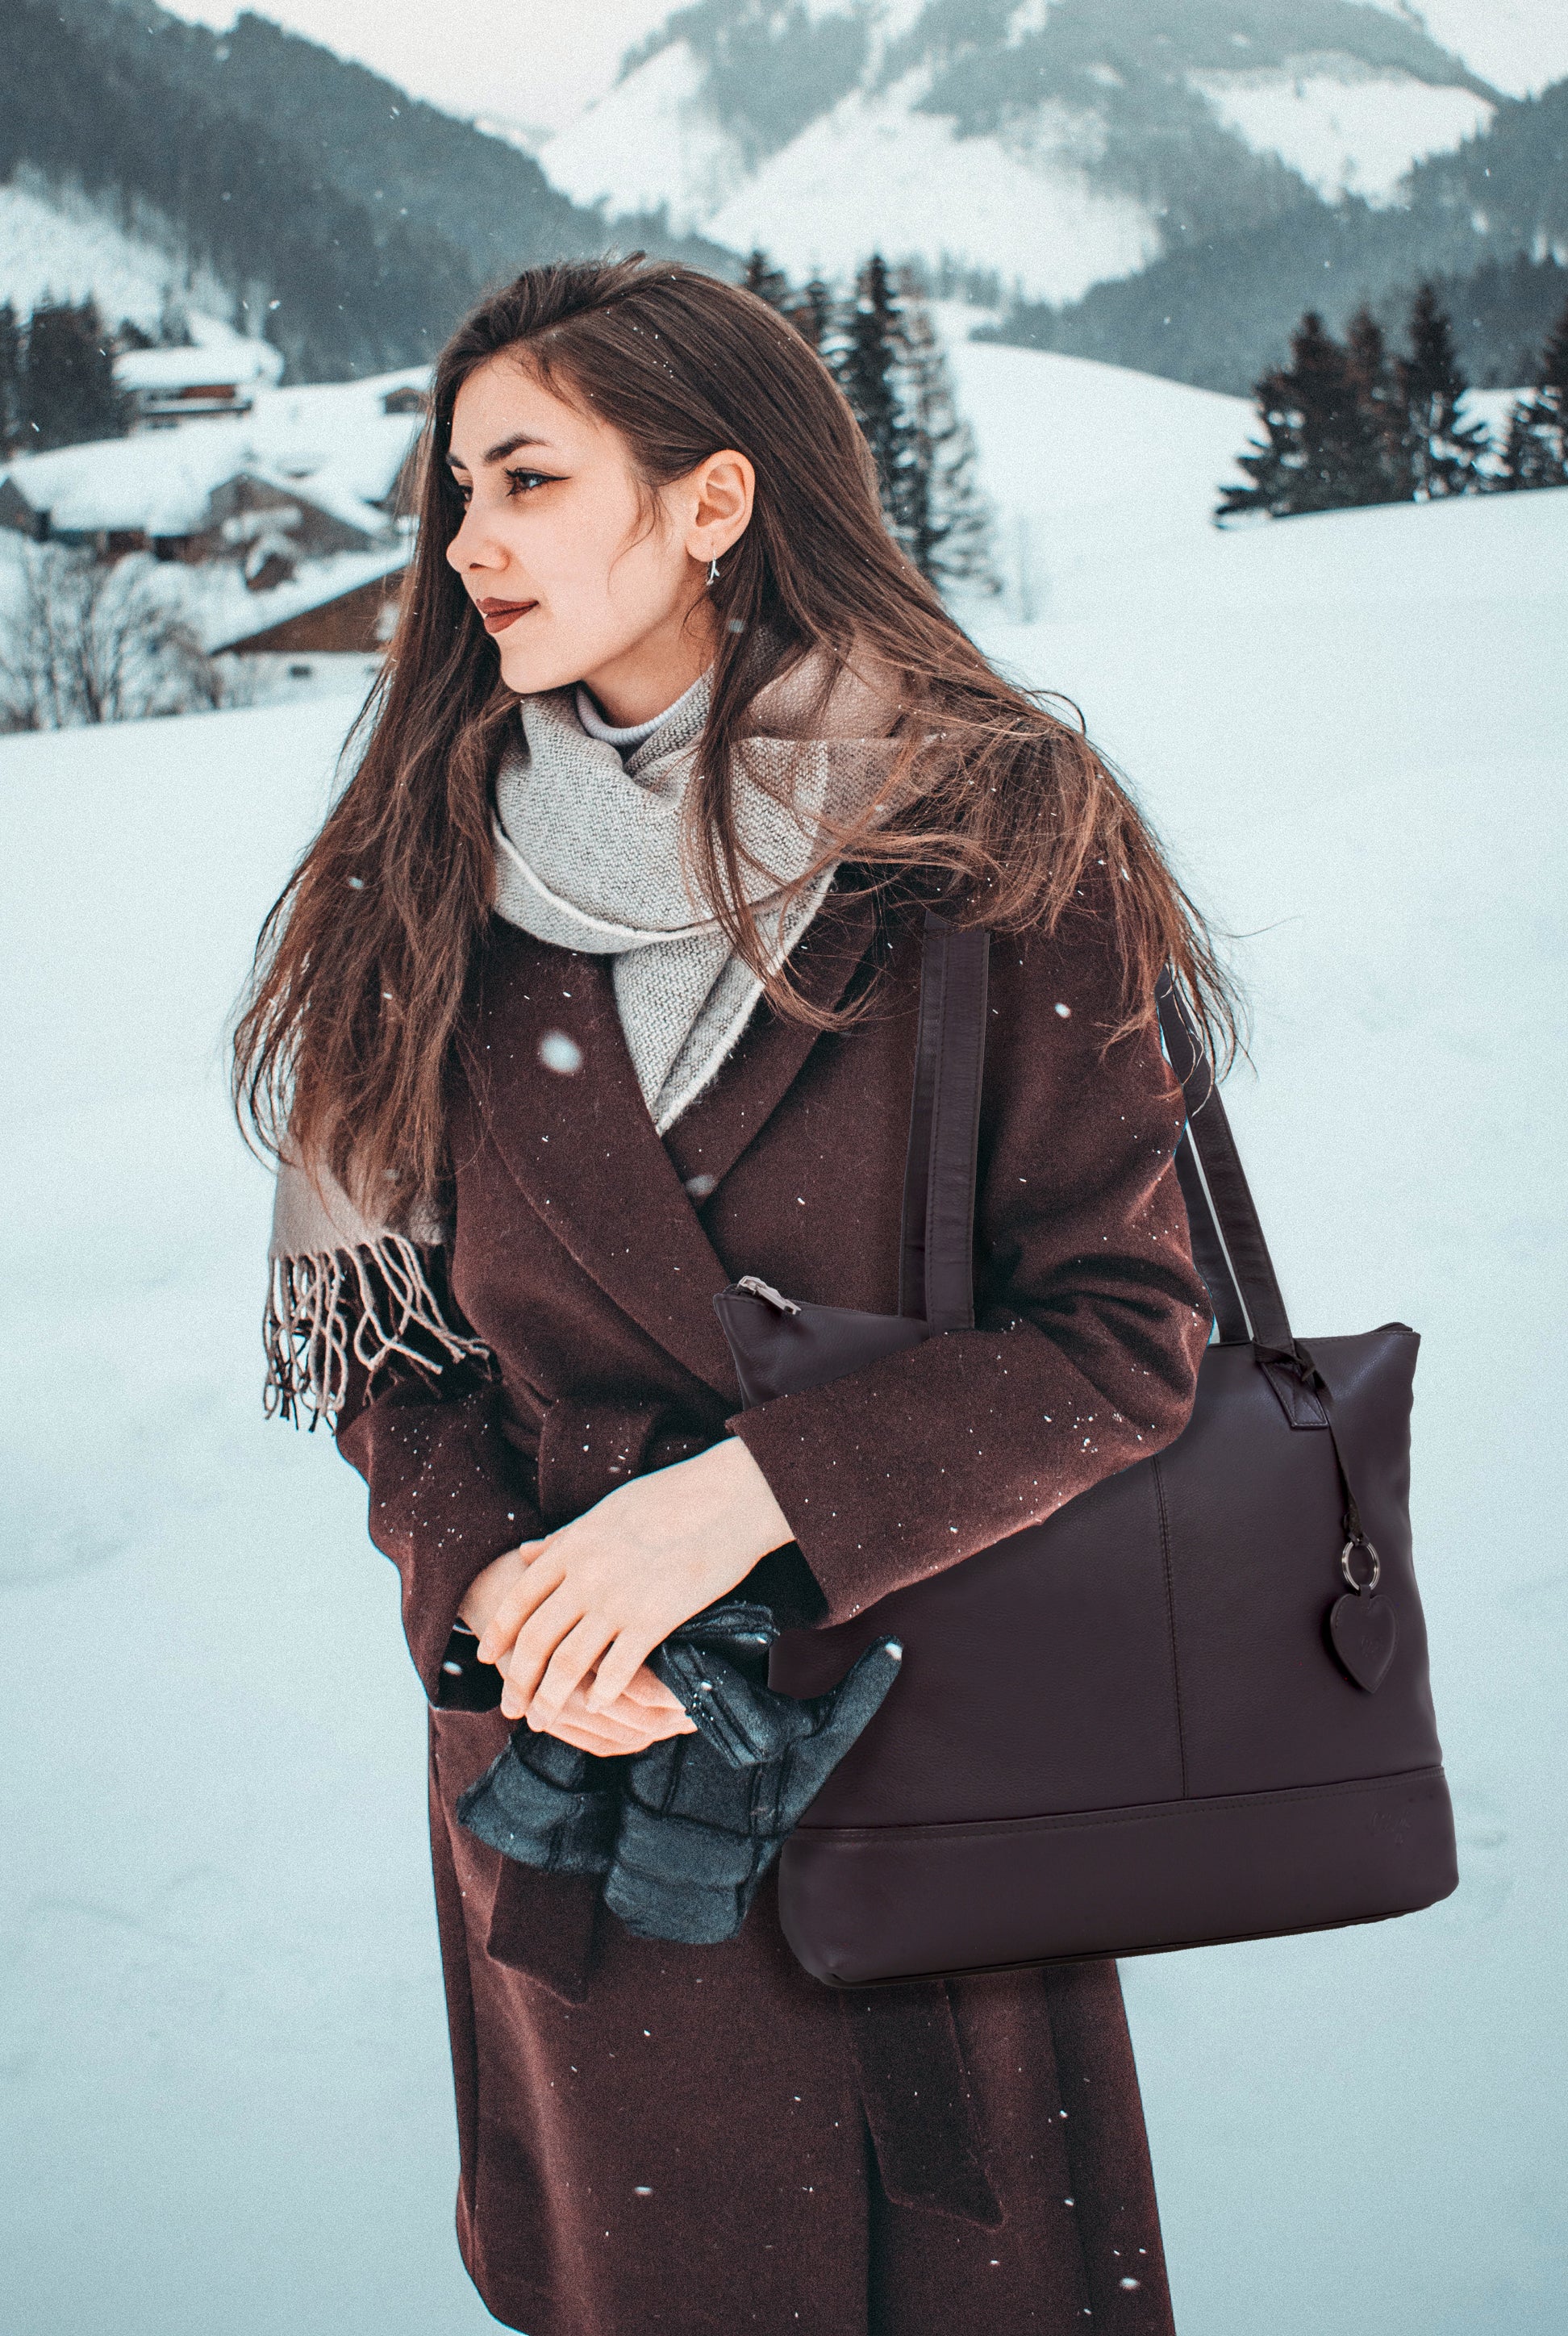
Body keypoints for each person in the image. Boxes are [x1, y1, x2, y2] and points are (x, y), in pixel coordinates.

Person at [234, 255, 1228, 2336]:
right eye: (456, 490)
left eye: (528, 478)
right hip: (586, 1799)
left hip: (922, 1747)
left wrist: (741, 1506)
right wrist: (503, 1604)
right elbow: (387, 1353)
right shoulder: (419, 873)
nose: (467, 541)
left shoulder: (983, 828)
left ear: (712, 499)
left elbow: (1125, 1335)